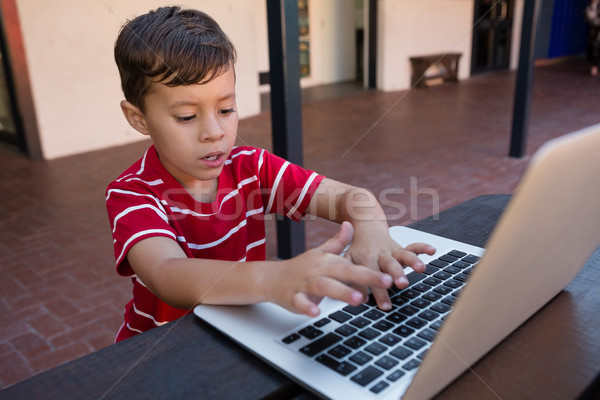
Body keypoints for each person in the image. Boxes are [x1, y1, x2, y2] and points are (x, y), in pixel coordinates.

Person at [106, 6, 434, 342]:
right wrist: (273, 279)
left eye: (226, 109)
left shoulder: (252, 168)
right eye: (187, 116)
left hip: (244, 337)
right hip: (163, 350)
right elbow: (167, 274)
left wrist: (372, 233)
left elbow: (352, 198)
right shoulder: (132, 193)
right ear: (139, 118)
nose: (214, 131)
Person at [586, 0, 600, 76]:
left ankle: (595, 67)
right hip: (596, 29)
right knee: (596, 47)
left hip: (595, 28)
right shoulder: (593, 4)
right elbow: (589, 15)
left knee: (596, 47)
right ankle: (595, 67)